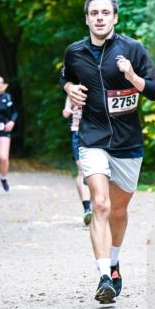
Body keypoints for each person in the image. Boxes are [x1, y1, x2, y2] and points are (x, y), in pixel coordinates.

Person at [60, 0, 155, 305]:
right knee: (101, 206)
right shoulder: (74, 52)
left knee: (118, 210)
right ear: (87, 18)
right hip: (92, 138)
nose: (100, 18)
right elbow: (65, 76)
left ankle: (115, 261)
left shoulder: (133, 49)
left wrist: (132, 76)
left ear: (115, 18)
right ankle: (104, 275)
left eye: (106, 13)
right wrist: (68, 88)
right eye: (94, 13)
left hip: (128, 142)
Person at [62, 97, 92, 226]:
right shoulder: (73, 90)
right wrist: (67, 110)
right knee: (81, 169)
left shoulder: (98, 84)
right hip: (77, 131)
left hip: (96, 132)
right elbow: (66, 111)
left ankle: (98, 204)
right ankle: (87, 209)